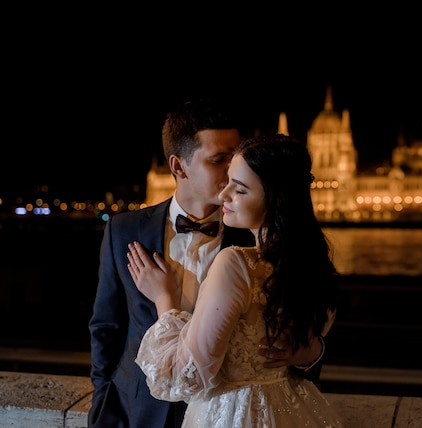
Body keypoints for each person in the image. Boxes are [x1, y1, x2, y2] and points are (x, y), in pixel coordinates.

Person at [88, 100, 326, 428]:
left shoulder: (255, 236)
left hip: (226, 411)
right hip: (139, 410)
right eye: (219, 160)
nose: (233, 169)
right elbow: (106, 328)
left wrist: (307, 356)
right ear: (178, 166)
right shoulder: (125, 230)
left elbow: (303, 331)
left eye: (235, 156)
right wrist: (103, 401)